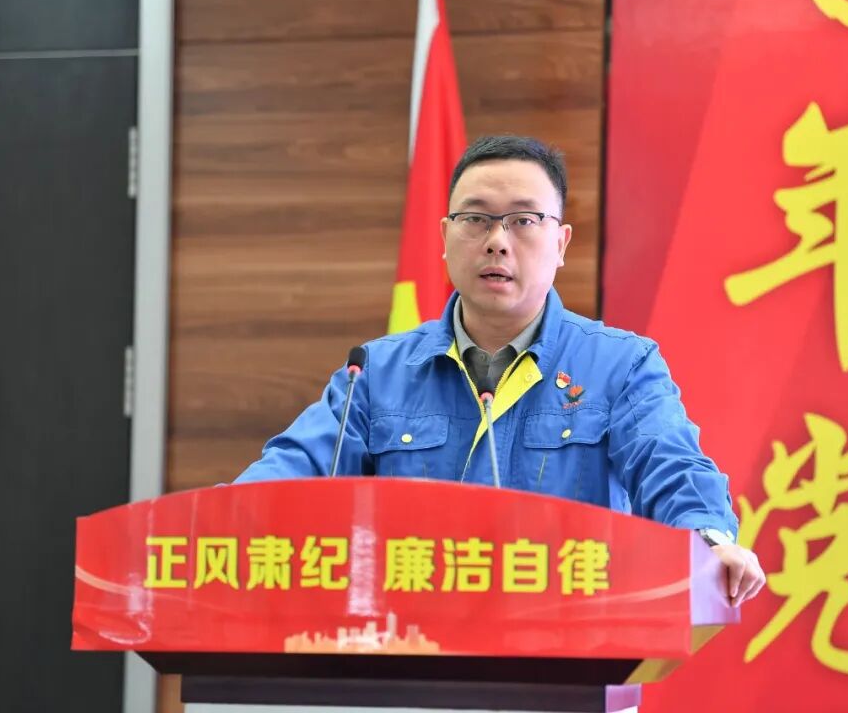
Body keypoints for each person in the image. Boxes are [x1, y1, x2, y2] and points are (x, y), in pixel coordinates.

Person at [235, 135, 766, 606]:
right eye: (476, 219)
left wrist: (710, 541)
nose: (497, 240)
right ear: (444, 237)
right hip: (410, 646)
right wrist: (224, 524)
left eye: (523, 220)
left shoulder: (621, 366)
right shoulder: (376, 372)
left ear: (561, 244)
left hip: (571, 641)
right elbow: (292, 470)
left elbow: (671, 468)